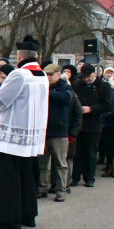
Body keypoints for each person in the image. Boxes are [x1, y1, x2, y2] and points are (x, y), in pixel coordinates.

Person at [0, 36, 48, 229]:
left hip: (13, 134)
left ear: (20, 55)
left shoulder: (19, 75)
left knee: (8, 177)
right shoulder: (42, 75)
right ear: (36, 56)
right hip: (31, 134)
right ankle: (27, 215)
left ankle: (8, 217)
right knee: (26, 176)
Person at [71, 63, 111, 187]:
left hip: (93, 123)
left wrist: (91, 109)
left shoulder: (103, 86)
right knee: (77, 152)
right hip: (79, 123)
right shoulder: (77, 85)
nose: (86, 79)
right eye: (84, 77)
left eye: (88, 76)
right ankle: (75, 177)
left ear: (94, 74)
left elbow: (107, 105)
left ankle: (89, 177)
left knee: (90, 151)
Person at [39, 63, 73, 202]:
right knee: (42, 163)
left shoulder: (66, 87)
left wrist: (48, 92)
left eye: (50, 75)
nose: (48, 77)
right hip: (44, 129)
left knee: (60, 163)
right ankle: (42, 187)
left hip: (59, 131)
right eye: (46, 75)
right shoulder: (42, 87)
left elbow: (65, 99)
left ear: (58, 75)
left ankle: (61, 189)